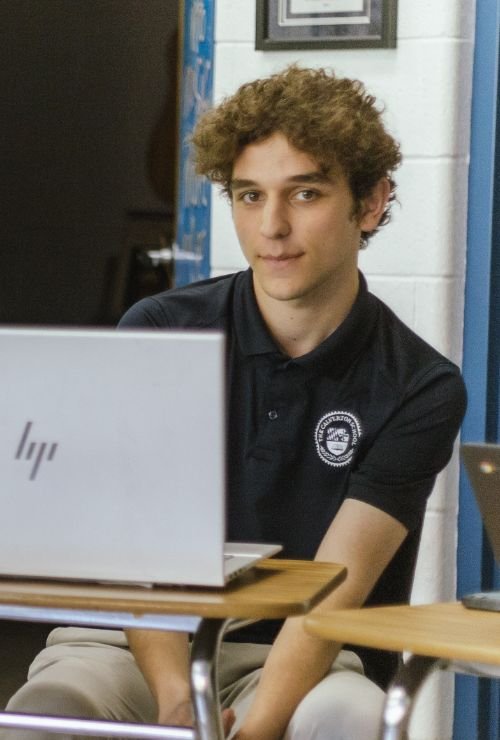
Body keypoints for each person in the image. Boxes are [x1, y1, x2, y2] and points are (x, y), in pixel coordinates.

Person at [3, 65, 466, 740]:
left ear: (369, 203)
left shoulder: (420, 385)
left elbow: (332, 588)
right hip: (130, 644)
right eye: (250, 196)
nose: (272, 226)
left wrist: (252, 733)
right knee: (40, 716)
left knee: (352, 719)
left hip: (299, 658)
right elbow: (140, 555)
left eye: (304, 193)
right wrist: (174, 709)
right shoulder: (159, 329)